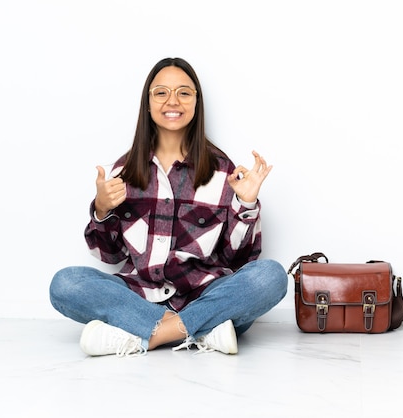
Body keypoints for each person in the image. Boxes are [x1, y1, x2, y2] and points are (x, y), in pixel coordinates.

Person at [49, 57, 288, 357]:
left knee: (271, 276)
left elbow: (239, 260)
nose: (172, 101)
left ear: (196, 103)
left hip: (205, 296)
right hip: (137, 297)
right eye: (161, 92)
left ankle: (143, 335)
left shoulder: (222, 171)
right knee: (65, 284)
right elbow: (110, 257)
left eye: (184, 93)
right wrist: (101, 210)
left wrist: (246, 204)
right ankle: (201, 332)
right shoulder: (121, 172)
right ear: (147, 103)